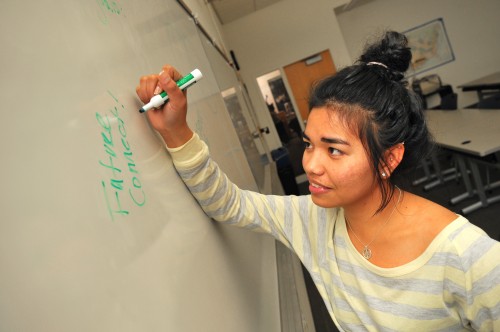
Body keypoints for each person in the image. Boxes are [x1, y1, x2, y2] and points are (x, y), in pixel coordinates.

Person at [136, 31, 500, 331]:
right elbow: (227, 204)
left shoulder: (469, 257)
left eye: (335, 150)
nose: (311, 164)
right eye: (309, 144)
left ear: (388, 158)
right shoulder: (312, 219)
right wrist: (177, 131)